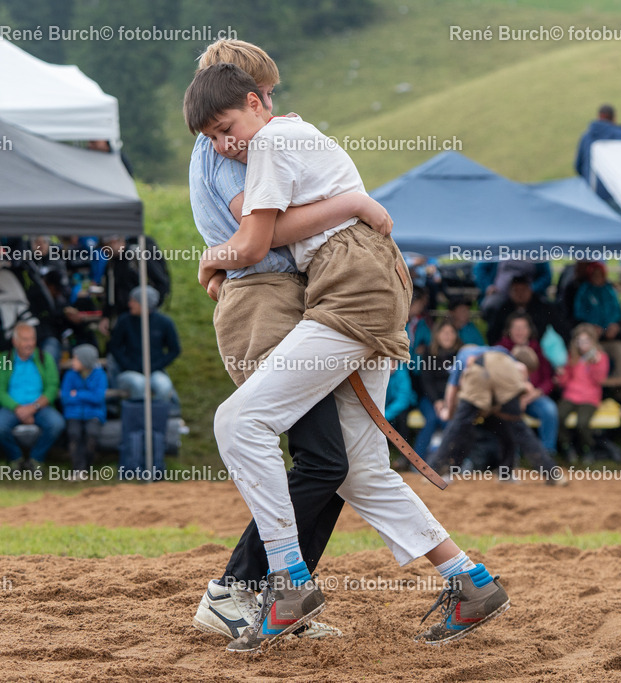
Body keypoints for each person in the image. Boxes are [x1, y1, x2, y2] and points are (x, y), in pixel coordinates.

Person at [188, 61, 510, 651]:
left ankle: (288, 582)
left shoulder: (272, 141)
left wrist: (210, 259)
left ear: (257, 103)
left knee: (239, 421)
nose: (223, 145)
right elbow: (282, 229)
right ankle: (470, 582)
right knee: (359, 470)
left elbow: (256, 241)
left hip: (350, 285)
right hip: (365, 280)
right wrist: (355, 202)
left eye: (225, 128)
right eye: (211, 138)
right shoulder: (293, 134)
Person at [188, 40, 399, 645]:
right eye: (267, 96)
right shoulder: (234, 149)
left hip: (278, 301)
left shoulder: (234, 142)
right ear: (247, 95)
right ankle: (237, 590)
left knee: (328, 462)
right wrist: (351, 202)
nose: (273, 109)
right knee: (325, 461)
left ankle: (279, 594)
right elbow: (263, 236)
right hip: (264, 304)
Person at [428, 344, 565, 484]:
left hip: (478, 373)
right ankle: (549, 474)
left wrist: (449, 413)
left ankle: (435, 470)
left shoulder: (463, 355)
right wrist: (515, 406)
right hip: (503, 375)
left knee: (459, 425)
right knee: (516, 427)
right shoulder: (500, 351)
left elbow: (451, 390)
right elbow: (520, 370)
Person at [0, 323, 65, 471]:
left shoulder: (45, 358)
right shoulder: (5, 359)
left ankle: (36, 459)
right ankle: (15, 458)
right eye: (25, 340)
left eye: (32, 339)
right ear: (15, 342)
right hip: (12, 407)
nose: (29, 343)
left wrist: (33, 408)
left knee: (57, 423)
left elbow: (52, 387)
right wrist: (18, 409)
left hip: (39, 407)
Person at [498, 314, 559, 455]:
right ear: (509, 330)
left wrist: (537, 392)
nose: (520, 331)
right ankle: (512, 455)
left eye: (523, 327)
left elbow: (549, 378)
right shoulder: (500, 349)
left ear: (529, 330)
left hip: (533, 396)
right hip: (508, 398)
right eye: (516, 328)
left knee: (549, 410)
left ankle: (547, 454)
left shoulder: (537, 348)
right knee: (508, 415)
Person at [108, 286, 181, 404]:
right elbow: (114, 346)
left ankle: (160, 414)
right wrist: (129, 365)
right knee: (138, 383)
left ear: (144, 304)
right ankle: (137, 414)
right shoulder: (124, 321)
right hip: (128, 372)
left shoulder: (164, 323)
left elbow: (175, 350)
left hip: (154, 371)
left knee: (164, 385)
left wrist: (155, 365)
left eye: (133, 301)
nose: (129, 304)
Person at [573, 262, 621, 390]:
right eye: (594, 275)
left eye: (600, 274)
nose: (598, 277)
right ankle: (591, 391)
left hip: (609, 338)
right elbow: (578, 315)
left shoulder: (610, 291)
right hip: (590, 341)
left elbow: (618, 313)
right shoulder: (584, 291)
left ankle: (619, 390)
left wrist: (615, 326)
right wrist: (590, 329)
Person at [556, 325, 610, 463]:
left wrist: (595, 364)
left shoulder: (601, 357)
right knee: (558, 416)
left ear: (593, 341)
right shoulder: (572, 357)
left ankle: (588, 448)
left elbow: (600, 380)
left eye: (586, 341)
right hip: (571, 395)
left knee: (582, 423)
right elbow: (565, 381)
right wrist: (561, 374)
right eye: (580, 341)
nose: (583, 345)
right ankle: (567, 446)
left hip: (589, 397)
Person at [412, 319, 462, 458]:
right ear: (437, 334)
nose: (448, 336)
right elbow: (426, 381)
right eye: (444, 332)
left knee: (449, 422)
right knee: (432, 419)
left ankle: (450, 460)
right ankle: (417, 461)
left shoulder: (461, 353)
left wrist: (449, 401)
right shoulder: (429, 352)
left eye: (451, 332)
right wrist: (437, 401)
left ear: (456, 335)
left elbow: (463, 382)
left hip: (453, 400)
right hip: (429, 398)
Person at [61, 344, 107, 473]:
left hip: (94, 413)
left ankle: (87, 467)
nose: (73, 361)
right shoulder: (70, 375)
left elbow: (98, 398)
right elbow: (66, 397)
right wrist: (88, 395)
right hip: (73, 413)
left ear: (85, 361)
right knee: (74, 434)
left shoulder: (100, 375)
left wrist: (77, 394)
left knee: (91, 434)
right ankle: (78, 469)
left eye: (76, 359)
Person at [486, 275, 570, 345]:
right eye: (516, 290)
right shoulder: (503, 309)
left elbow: (561, 329)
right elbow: (493, 334)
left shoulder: (543, 308)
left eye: (523, 290)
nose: (520, 294)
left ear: (530, 290)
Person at [575, 104, 621, 203]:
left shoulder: (586, 137)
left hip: (592, 192)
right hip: (615, 191)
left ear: (599, 116)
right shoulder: (619, 135)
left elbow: (578, 166)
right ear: (614, 118)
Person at [385, 359, 417, 441]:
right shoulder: (378, 374)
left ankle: (402, 444)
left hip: (402, 406)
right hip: (387, 406)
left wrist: (385, 415)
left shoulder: (402, 373)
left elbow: (403, 400)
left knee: (402, 418)